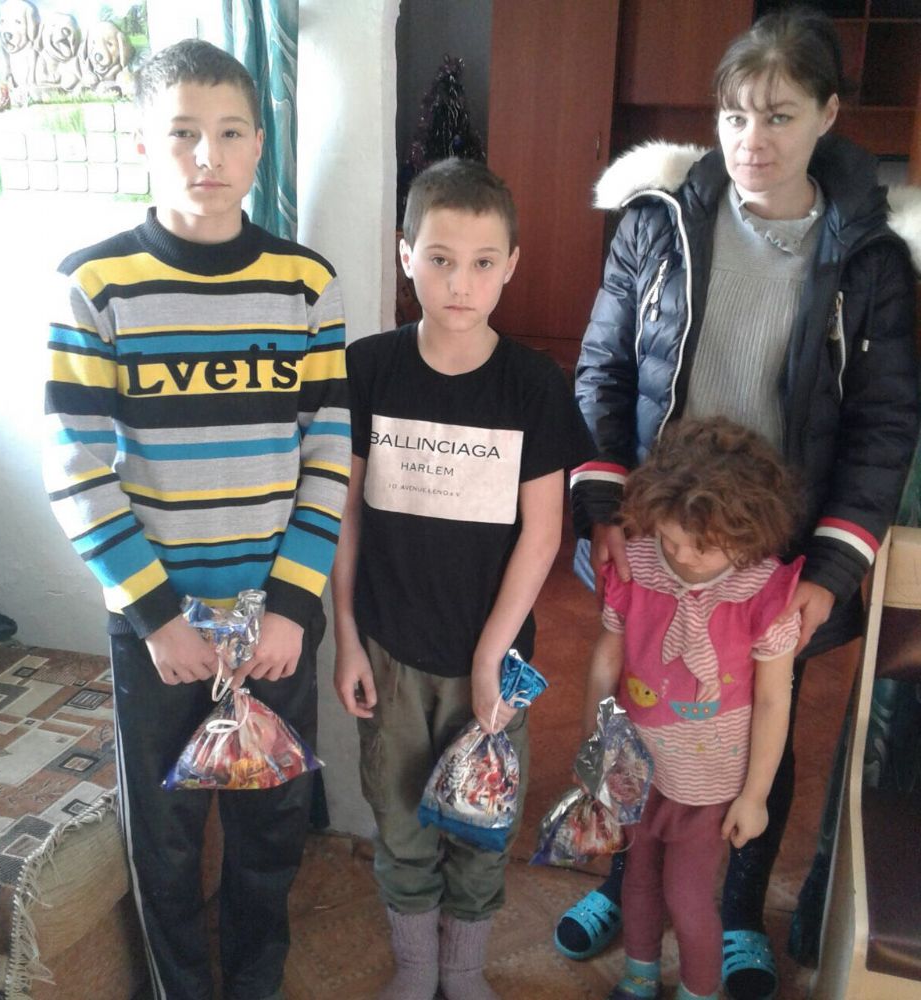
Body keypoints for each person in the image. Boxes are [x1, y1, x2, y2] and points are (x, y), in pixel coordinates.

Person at [557, 7, 919, 1000]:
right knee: (636, 697)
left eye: (780, 115)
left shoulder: (870, 261)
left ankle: (735, 908)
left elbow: (884, 424)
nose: (752, 139)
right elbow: (602, 370)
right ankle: (621, 871)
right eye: (734, 115)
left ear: (828, 115)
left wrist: (832, 569)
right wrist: (605, 509)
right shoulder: (656, 224)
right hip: (654, 529)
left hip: (773, 552)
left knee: (756, 713)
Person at [43, 39, 349, 1000]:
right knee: (166, 842)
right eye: (182, 133)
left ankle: (255, 982)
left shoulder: (307, 284)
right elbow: (75, 468)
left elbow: (328, 457)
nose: (207, 156)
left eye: (229, 133)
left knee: (270, 829)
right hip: (160, 630)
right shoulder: (95, 285)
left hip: (277, 620)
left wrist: (293, 609)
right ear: (145, 143)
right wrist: (158, 618)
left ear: (260, 144)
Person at [332, 157, 591, 1000]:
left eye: (483, 262)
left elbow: (543, 531)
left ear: (511, 264)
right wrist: (346, 637)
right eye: (439, 258)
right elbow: (345, 515)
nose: (460, 282)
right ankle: (416, 969)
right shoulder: (367, 369)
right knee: (399, 810)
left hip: (496, 657)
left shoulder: (533, 383)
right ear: (404, 253)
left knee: (484, 819)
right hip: (391, 647)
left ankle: (464, 970)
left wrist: (489, 656)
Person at [587, 419, 803, 1000]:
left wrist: (755, 795)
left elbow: (773, 698)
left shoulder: (765, 593)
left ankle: (699, 989)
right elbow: (606, 661)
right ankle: (638, 976)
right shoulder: (636, 563)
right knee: (636, 883)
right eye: (670, 538)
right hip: (635, 768)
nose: (682, 556)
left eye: (702, 547)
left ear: (748, 531)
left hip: (709, 786)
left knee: (686, 898)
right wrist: (596, 746)